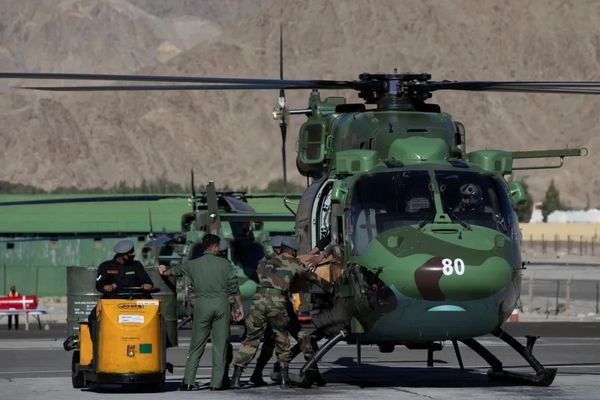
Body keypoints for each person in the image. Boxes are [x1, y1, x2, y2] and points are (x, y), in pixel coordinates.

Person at [230, 236, 326, 390]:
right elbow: (312, 277)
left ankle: (238, 378)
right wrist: (331, 288)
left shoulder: (267, 263)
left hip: (261, 302)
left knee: (253, 340)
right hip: (278, 304)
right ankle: (283, 378)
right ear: (291, 251)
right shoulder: (291, 262)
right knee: (283, 339)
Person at [158, 234, 244, 391]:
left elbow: (172, 272)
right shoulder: (225, 264)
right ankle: (216, 383)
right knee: (220, 346)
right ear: (215, 247)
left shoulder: (193, 264)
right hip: (221, 304)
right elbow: (234, 287)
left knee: (196, 345)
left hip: (202, 305)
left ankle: (188, 381)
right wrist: (239, 306)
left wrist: (163, 271)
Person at [88, 240, 154, 342]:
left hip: (135, 300)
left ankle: (157, 342)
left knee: (157, 316)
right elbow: (99, 285)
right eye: (130, 253)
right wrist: (106, 287)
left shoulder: (136, 265)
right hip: (112, 299)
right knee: (93, 317)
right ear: (122, 254)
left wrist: (147, 285)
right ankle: (96, 344)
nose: (133, 255)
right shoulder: (106, 266)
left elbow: (147, 282)